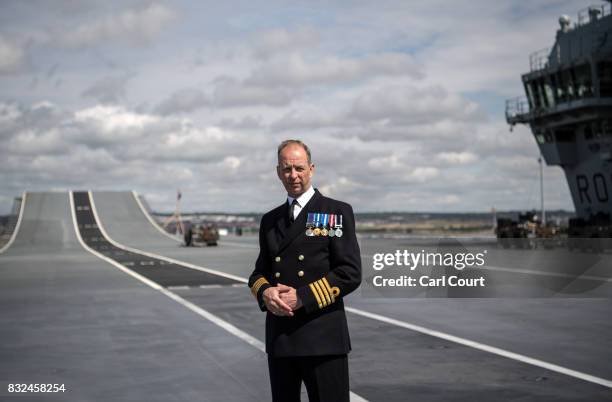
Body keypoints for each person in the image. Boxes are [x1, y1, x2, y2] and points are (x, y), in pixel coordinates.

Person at [248, 139, 362, 402]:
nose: (293, 175)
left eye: (299, 168)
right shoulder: (270, 220)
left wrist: (302, 297)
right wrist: (265, 293)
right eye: (287, 169)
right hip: (282, 337)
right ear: (278, 172)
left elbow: (350, 272)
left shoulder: (335, 212)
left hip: (322, 338)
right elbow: (258, 274)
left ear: (311, 169)